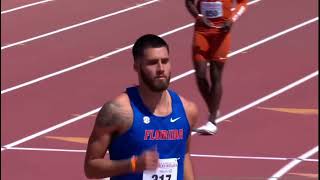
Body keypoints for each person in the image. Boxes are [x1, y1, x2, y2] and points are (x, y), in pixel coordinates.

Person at [84, 34, 198, 180]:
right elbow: (91, 168)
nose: (161, 68)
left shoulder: (188, 110)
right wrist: (132, 165)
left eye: (165, 61)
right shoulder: (118, 112)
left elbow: (184, 155)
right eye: (152, 63)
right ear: (136, 66)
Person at [185, 0, 247, 135]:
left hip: (221, 33)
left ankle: (212, 121)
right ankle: (213, 108)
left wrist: (232, 19)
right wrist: (199, 17)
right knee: (200, 75)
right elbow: (189, 3)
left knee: (215, 75)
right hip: (202, 32)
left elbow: (243, 3)